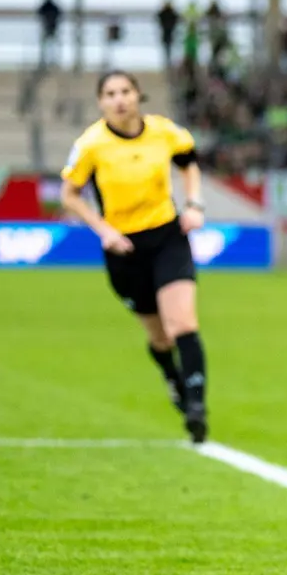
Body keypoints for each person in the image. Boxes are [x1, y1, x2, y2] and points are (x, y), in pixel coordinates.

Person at [59, 71, 211, 442]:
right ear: (100, 102)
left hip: (167, 237)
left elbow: (188, 162)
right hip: (125, 249)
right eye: (110, 93)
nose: (119, 99)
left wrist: (193, 203)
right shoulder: (91, 144)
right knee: (160, 337)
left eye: (125, 91)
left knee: (182, 323)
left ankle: (196, 407)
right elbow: (70, 194)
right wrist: (104, 230)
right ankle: (172, 378)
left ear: (138, 95)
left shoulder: (164, 131)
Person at [37, 0, 62, 70]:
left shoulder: (50, 6)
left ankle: (50, 60)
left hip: (51, 28)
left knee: (49, 46)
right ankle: (47, 61)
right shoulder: (50, 6)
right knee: (48, 46)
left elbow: (60, 13)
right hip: (49, 28)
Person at [157, 0, 180, 68]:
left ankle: (168, 61)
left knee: (168, 48)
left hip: (168, 33)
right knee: (168, 48)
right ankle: (168, 62)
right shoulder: (169, 13)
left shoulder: (165, 13)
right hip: (169, 32)